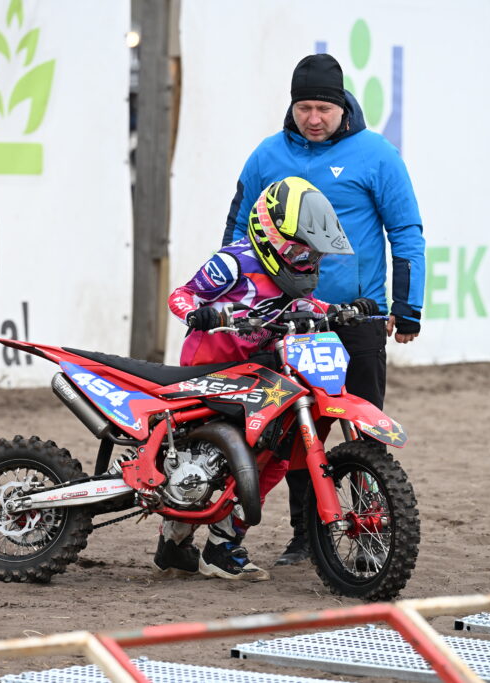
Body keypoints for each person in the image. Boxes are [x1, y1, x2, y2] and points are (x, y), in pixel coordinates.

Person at [222, 53, 426, 567]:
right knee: (292, 433)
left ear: (343, 108)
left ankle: (370, 534)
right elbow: (237, 230)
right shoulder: (267, 155)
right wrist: (231, 297)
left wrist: (408, 306)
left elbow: (405, 232)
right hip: (286, 321)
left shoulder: (377, 155)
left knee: (365, 431)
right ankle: (305, 536)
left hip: (356, 320)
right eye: (304, 108)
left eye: (323, 109)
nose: (313, 119)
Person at [155, 176, 374, 581]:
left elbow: (305, 303)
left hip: (259, 370)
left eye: (313, 254)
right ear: (268, 234)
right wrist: (198, 314)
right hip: (211, 369)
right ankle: (175, 537)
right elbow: (181, 295)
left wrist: (342, 310)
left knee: (272, 459)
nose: (305, 260)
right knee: (208, 458)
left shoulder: (294, 270)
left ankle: (221, 546)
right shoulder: (233, 263)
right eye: (298, 250)